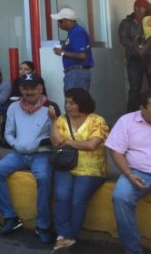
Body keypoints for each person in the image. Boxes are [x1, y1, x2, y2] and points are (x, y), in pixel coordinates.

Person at [0, 74, 60, 244]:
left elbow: (57, 134)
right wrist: (16, 145)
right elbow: (8, 132)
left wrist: (38, 144)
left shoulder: (51, 107)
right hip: (18, 154)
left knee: (43, 177)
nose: (29, 91)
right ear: (20, 89)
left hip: (41, 154)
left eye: (33, 87)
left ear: (40, 89)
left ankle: (42, 225)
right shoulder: (13, 107)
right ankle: (10, 217)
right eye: (25, 88)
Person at [47, 88, 109, 253]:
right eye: (66, 102)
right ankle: (62, 237)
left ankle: (70, 237)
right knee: (61, 197)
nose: (68, 106)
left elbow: (91, 145)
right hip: (66, 165)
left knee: (77, 200)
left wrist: (66, 142)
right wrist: (53, 121)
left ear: (82, 103)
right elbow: (55, 142)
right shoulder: (61, 119)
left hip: (91, 169)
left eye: (72, 102)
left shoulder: (97, 121)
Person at [107, 91, 151, 254]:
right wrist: (128, 174)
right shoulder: (127, 121)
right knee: (121, 197)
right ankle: (132, 250)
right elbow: (116, 151)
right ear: (142, 108)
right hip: (136, 172)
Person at [51, 6, 94, 92]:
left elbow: (82, 55)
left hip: (77, 73)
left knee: (74, 102)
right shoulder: (73, 32)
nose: (58, 24)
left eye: (60, 21)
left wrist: (62, 52)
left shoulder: (77, 32)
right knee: (73, 102)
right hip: (74, 73)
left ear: (68, 20)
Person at [118, 0, 150, 112]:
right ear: (136, 8)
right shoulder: (126, 22)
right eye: (144, 7)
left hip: (148, 59)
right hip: (134, 60)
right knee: (135, 89)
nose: (147, 9)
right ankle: (131, 116)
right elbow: (123, 39)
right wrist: (137, 48)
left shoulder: (149, 20)